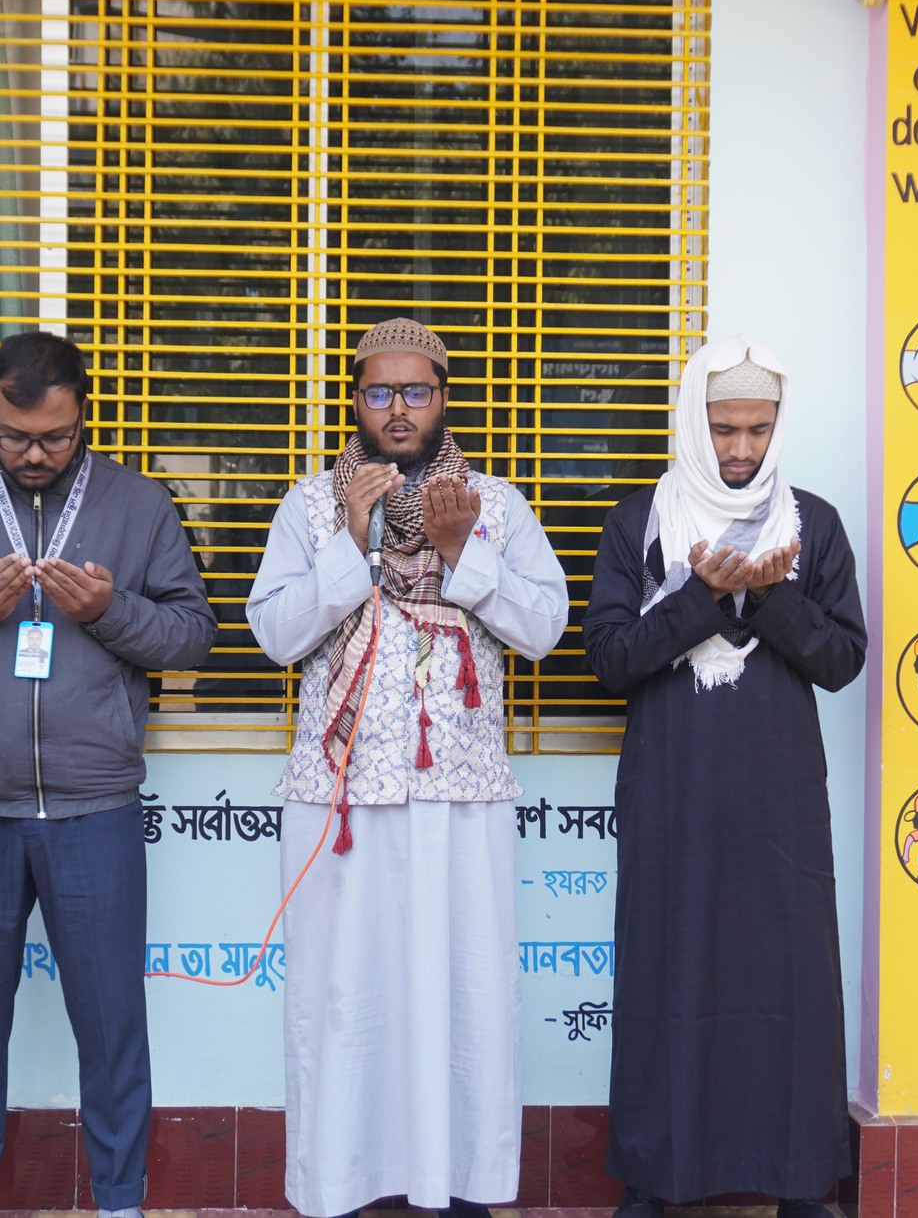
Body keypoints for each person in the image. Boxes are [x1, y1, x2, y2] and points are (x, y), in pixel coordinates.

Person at [0, 331, 215, 1218]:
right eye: (14, 435)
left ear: (82, 415)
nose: (33, 455)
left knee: (111, 1028)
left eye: (53, 437)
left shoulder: (137, 505)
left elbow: (193, 634)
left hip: (95, 807)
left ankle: (122, 1200)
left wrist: (112, 610)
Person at [246, 317, 569, 1218]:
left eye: (415, 391)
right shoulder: (311, 506)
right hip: (341, 798)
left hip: (459, 796)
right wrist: (348, 542)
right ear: (354, 400)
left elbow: (544, 628)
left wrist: (467, 553)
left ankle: (460, 1187)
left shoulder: (495, 505)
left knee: (466, 996)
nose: (397, 409)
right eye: (379, 392)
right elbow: (274, 635)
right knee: (342, 1002)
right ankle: (340, 1188)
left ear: (444, 398)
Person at [583, 336, 864, 1218]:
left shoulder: (811, 524)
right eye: (724, 430)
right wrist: (703, 594)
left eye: (757, 429)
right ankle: (655, 1175)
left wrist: (773, 597)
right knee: (669, 975)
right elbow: (611, 659)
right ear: (693, 428)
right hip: (674, 794)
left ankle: (801, 1179)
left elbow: (843, 658)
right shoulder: (641, 524)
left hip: (779, 798)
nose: (740, 450)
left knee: (792, 985)